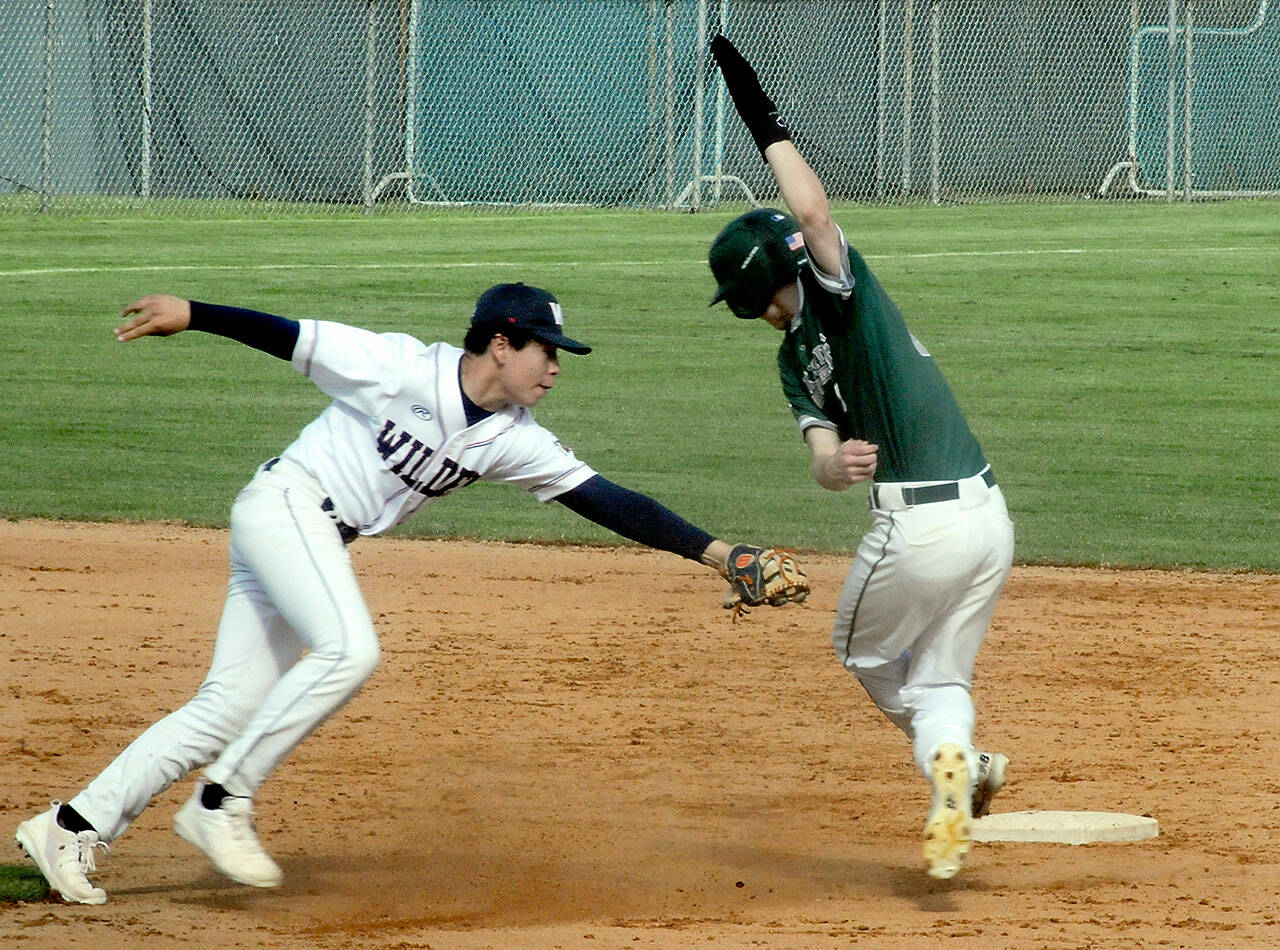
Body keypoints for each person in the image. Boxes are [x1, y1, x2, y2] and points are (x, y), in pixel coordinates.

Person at [14, 282, 805, 904]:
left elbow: (606, 498)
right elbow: (292, 336)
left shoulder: (512, 438)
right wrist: (194, 314)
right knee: (351, 650)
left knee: (223, 706)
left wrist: (716, 553)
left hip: (308, 539)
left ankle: (70, 825)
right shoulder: (397, 365)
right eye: (547, 351)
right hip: (288, 508)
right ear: (501, 346)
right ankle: (222, 802)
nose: (556, 366)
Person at [707, 35, 1015, 880]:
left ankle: (940, 757)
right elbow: (817, 448)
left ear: (761, 288)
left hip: (917, 530)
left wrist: (756, 113)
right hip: (990, 520)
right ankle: (963, 765)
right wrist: (831, 463)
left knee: (864, 655)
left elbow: (809, 215)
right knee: (942, 672)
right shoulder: (802, 345)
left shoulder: (831, 297)